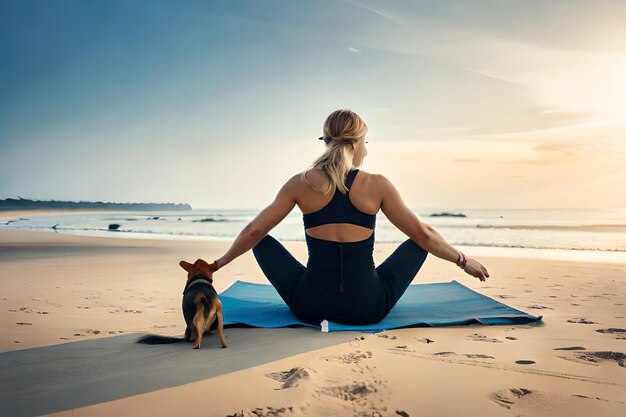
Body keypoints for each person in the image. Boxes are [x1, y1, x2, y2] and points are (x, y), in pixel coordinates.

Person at [207, 109, 489, 326]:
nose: (366, 149)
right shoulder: (377, 184)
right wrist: (463, 261)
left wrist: (218, 264)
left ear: (326, 142)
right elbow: (423, 235)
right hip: (368, 309)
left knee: (263, 241)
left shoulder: (300, 183)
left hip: (310, 308)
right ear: (357, 144)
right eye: (366, 142)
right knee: (419, 242)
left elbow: (254, 232)